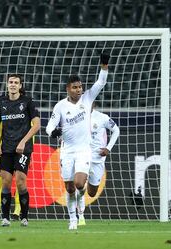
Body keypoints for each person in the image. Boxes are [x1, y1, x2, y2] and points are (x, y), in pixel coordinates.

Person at [46, 53, 110, 230]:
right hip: (67, 151)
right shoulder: (60, 106)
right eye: (75, 87)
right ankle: (72, 218)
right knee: (68, 187)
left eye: (80, 87)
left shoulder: (87, 98)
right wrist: (54, 131)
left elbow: (100, 83)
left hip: (84, 150)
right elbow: (49, 126)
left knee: (79, 183)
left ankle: (81, 197)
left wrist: (104, 66)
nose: (79, 90)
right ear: (68, 88)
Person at [0, 73, 40, 227]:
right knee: (5, 181)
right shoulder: (1, 102)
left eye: (16, 82)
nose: (12, 84)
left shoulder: (27, 102)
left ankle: (24, 217)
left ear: (20, 86)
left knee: (20, 181)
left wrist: (23, 142)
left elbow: (37, 124)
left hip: (23, 149)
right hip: (6, 147)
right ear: (7, 85)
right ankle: (5, 218)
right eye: (10, 82)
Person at [76, 102, 120, 226]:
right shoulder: (75, 118)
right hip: (81, 156)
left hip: (98, 159)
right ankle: (80, 216)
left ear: (93, 105)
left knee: (91, 192)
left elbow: (116, 130)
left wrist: (108, 148)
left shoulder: (102, 118)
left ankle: (83, 189)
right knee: (79, 184)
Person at [0, 118, 20, 221]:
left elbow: (31, 129)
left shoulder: (25, 105)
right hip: (4, 149)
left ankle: (17, 212)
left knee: (19, 180)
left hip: (21, 149)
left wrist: (29, 151)